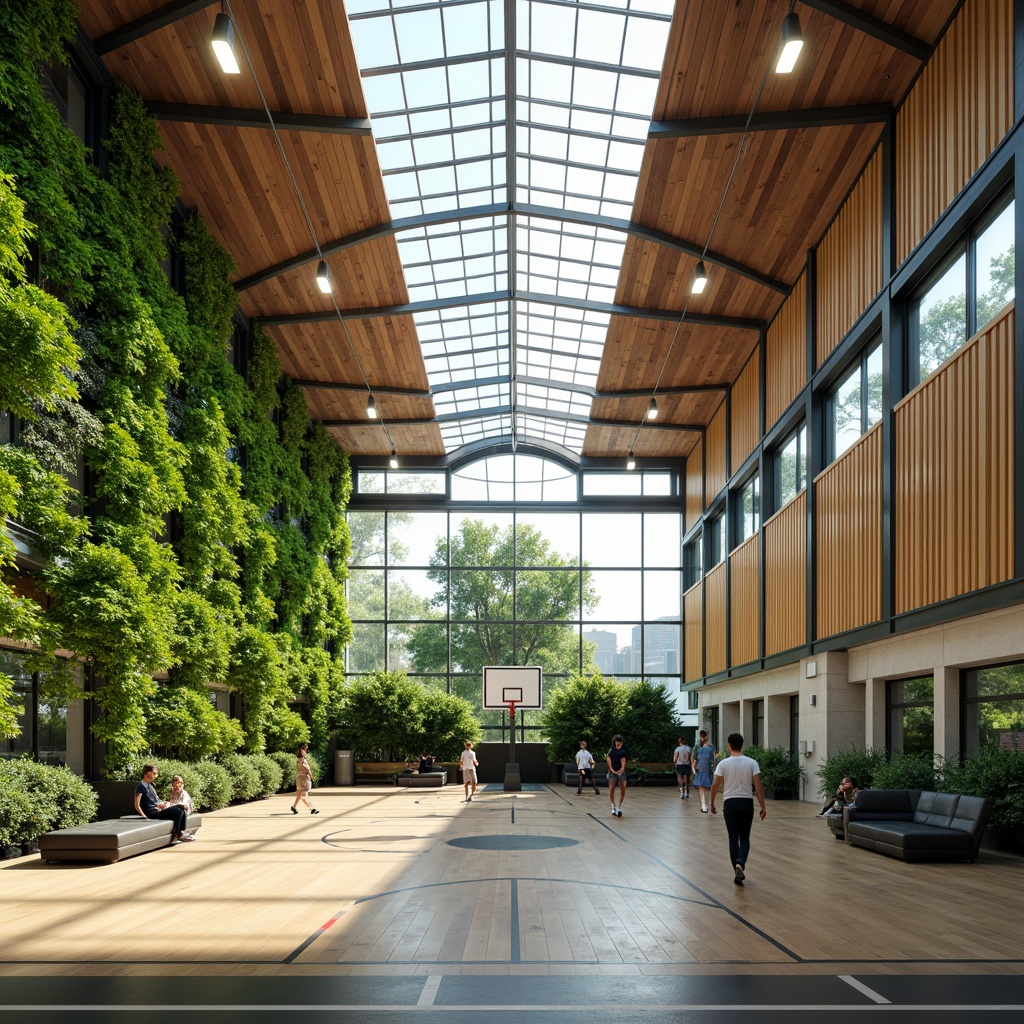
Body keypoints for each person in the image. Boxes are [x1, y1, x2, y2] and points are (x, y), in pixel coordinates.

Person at [709, 733, 767, 886]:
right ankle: (741, 862)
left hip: (730, 803)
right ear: (742, 745)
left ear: (729, 746)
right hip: (746, 803)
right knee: (745, 838)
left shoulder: (723, 764)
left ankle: (736, 868)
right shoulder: (752, 763)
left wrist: (712, 803)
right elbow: (758, 787)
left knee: (733, 837)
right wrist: (763, 806)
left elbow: (715, 785)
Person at [134, 765, 189, 844]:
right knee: (178, 812)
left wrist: (162, 804)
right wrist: (145, 817)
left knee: (182, 807)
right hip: (152, 814)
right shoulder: (141, 787)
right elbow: (137, 805)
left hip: (157, 810)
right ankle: (178, 833)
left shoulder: (150, 786)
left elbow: (155, 802)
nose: (156, 775)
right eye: (154, 773)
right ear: (147, 773)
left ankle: (182, 831)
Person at [167, 774, 199, 840]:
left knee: (181, 810)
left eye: (179, 783)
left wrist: (175, 805)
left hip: (186, 808)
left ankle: (180, 832)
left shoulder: (183, 792)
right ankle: (178, 833)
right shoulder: (172, 792)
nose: (176, 785)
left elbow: (185, 804)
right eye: (174, 782)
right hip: (177, 807)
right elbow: (171, 801)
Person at [692, 731, 716, 812]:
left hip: (700, 770)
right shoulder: (711, 748)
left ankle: (704, 806)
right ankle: (707, 804)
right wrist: (714, 770)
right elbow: (713, 761)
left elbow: (694, 760)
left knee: (701, 788)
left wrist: (694, 770)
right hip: (708, 770)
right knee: (708, 788)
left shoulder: (697, 748)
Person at [291, 743, 319, 814]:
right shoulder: (303, 760)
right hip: (304, 779)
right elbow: (308, 770)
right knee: (304, 795)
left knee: (299, 794)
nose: (306, 752)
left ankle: (294, 806)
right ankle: (312, 808)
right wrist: (311, 777)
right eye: (305, 750)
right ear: (302, 751)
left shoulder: (298, 760)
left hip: (299, 778)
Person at [606, 734, 628, 817]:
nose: (618, 743)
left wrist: (621, 769)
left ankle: (619, 807)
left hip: (621, 773)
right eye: (617, 741)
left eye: (620, 741)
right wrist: (612, 770)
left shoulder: (623, 751)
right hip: (612, 772)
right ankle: (613, 806)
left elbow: (623, 762)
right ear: (614, 742)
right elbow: (609, 761)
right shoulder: (611, 751)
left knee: (623, 789)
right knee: (611, 789)